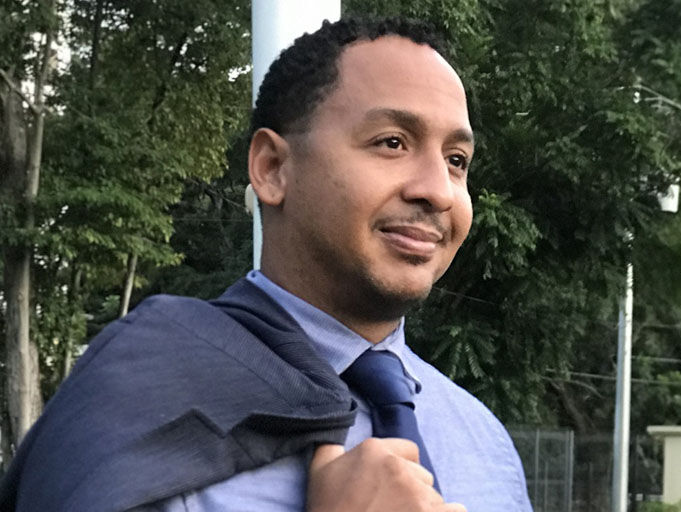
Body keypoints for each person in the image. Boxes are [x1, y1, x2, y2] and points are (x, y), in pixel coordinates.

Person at [0, 17, 532, 512]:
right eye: (392, 143)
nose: (439, 191)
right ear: (272, 168)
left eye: (456, 161)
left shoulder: (485, 445)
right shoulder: (131, 407)